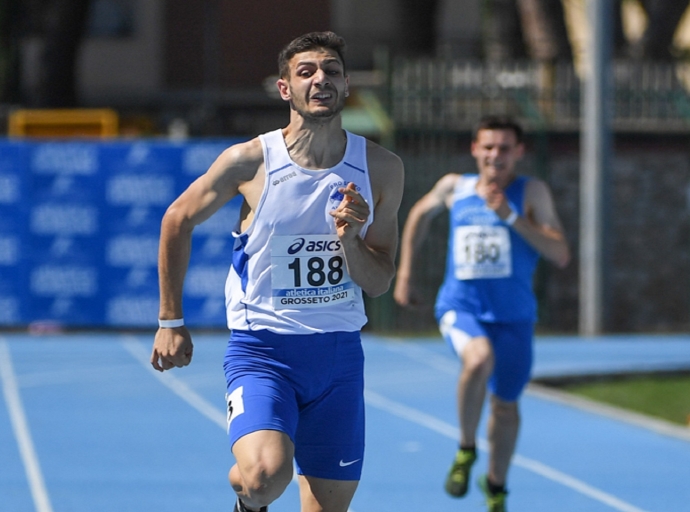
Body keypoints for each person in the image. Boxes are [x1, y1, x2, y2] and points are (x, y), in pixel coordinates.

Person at [150, 31, 404, 512]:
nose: (320, 79)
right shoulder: (249, 161)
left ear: (347, 84)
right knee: (266, 477)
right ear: (285, 89)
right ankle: (250, 500)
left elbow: (379, 280)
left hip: (338, 357)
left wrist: (350, 241)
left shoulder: (381, 168)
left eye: (330, 70)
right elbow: (177, 219)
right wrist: (170, 321)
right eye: (306, 72)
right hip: (263, 350)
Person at [393, 115, 570, 512]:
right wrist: (405, 273)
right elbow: (419, 215)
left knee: (506, 407)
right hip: (461, 307)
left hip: (514, 317)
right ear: (475, 149)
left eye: (505, 148)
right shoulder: (455, 187)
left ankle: (496, 486)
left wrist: (511, 216)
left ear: (519, 152)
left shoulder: (531, 193)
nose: (496, 156)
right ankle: (466, 448)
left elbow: (559, 252)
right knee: (478, 359)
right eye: (488, 147)